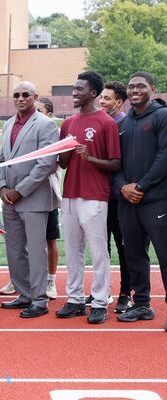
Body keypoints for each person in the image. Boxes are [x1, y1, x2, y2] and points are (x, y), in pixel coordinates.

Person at [55, 71, 121, 325]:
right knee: (72, 250)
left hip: (95, 194)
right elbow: (62, 163)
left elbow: (115, 163)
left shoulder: (106, 123)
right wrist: (65, 151)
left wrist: (89, 157)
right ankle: (74, 299)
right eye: (73, 89)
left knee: (98, 251)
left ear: (93, 93)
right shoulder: (67, 123)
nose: (74, 93)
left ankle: (100, 301)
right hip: (70, 192)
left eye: (79, 89)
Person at [0, 81, 59, 319]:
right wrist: (2, 188)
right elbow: (1, 159)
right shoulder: (8, 124)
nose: (20, 98)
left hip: (33, 198)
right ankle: (23, 294)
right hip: (9, 199)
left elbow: (46, 164)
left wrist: (19, 190)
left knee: (35, 250)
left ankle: (40, 299)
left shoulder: (45, 125)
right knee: (14, 250)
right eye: (16, 95)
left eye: (25, 95)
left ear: (35, 96)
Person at [114, 72, 167, 329]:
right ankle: (142, 304)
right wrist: (123, 187)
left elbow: (165, 156)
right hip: (128, 201)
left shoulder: (162, 116)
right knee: (134, 254)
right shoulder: (122, 124)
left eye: (140, 86)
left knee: (165, 256)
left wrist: (142, 186)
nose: (135, 90)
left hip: (156, 199)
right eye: (131, 86)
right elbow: (115, 162)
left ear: (152, 89)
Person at [98, 80, 131, 313]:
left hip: (120, 199)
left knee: (124, 248)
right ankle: (103, 291)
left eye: (107, 98)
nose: (101, 101)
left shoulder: (126, 125)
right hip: (99, 197)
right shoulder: (101, 124)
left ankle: (125, 293)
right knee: (102, 247)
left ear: (119, 103)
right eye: (100, 97)